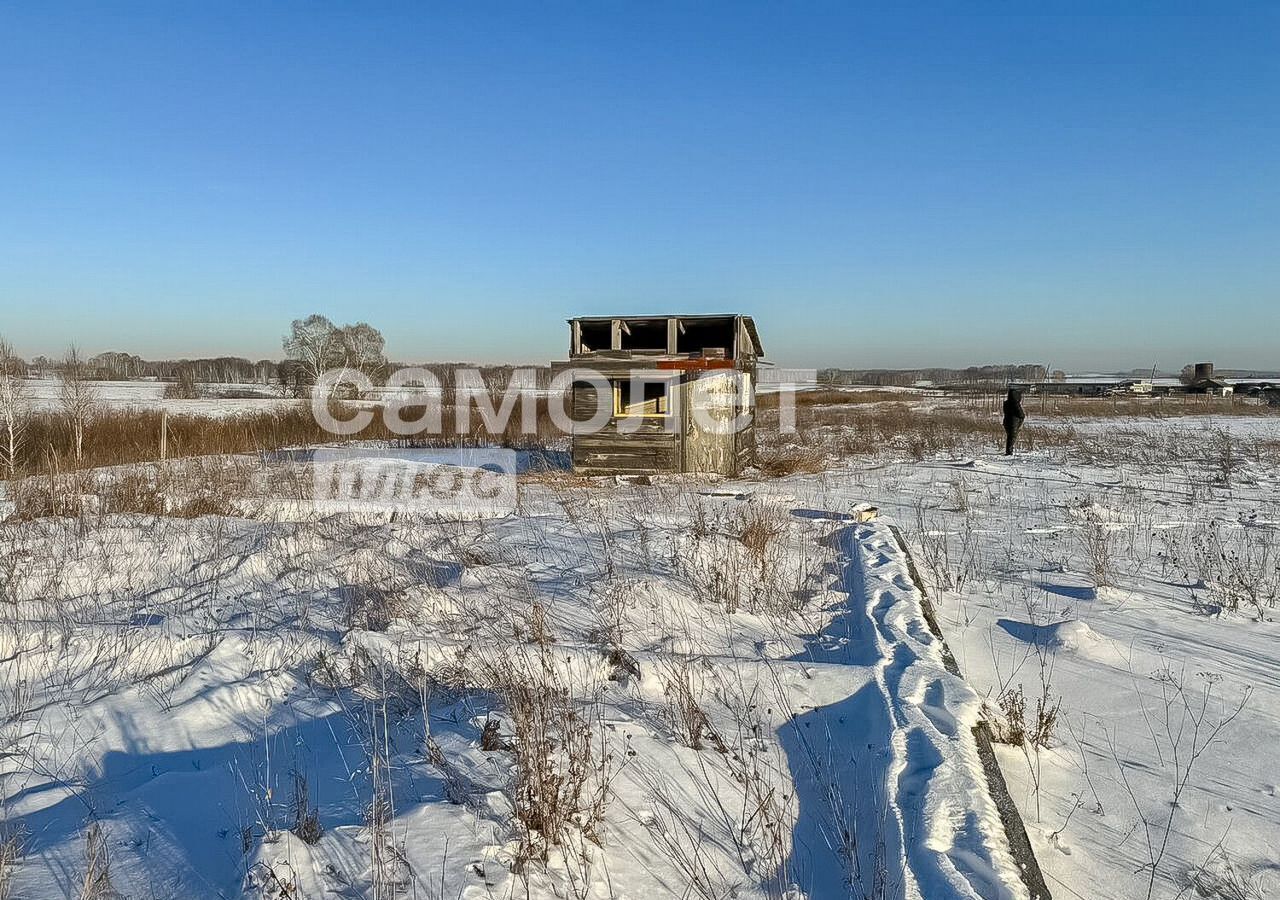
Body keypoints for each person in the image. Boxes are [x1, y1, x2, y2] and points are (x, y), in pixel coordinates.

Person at [1002, 387, 1025, 455]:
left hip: (1006, 421)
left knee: (1010, 437)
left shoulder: (1006, 403)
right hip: (1014, 423)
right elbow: (1021, 414)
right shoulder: (1015, 404)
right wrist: (1022, 417)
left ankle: (1009, 450)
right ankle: (1009, 452)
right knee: (1012, 437)